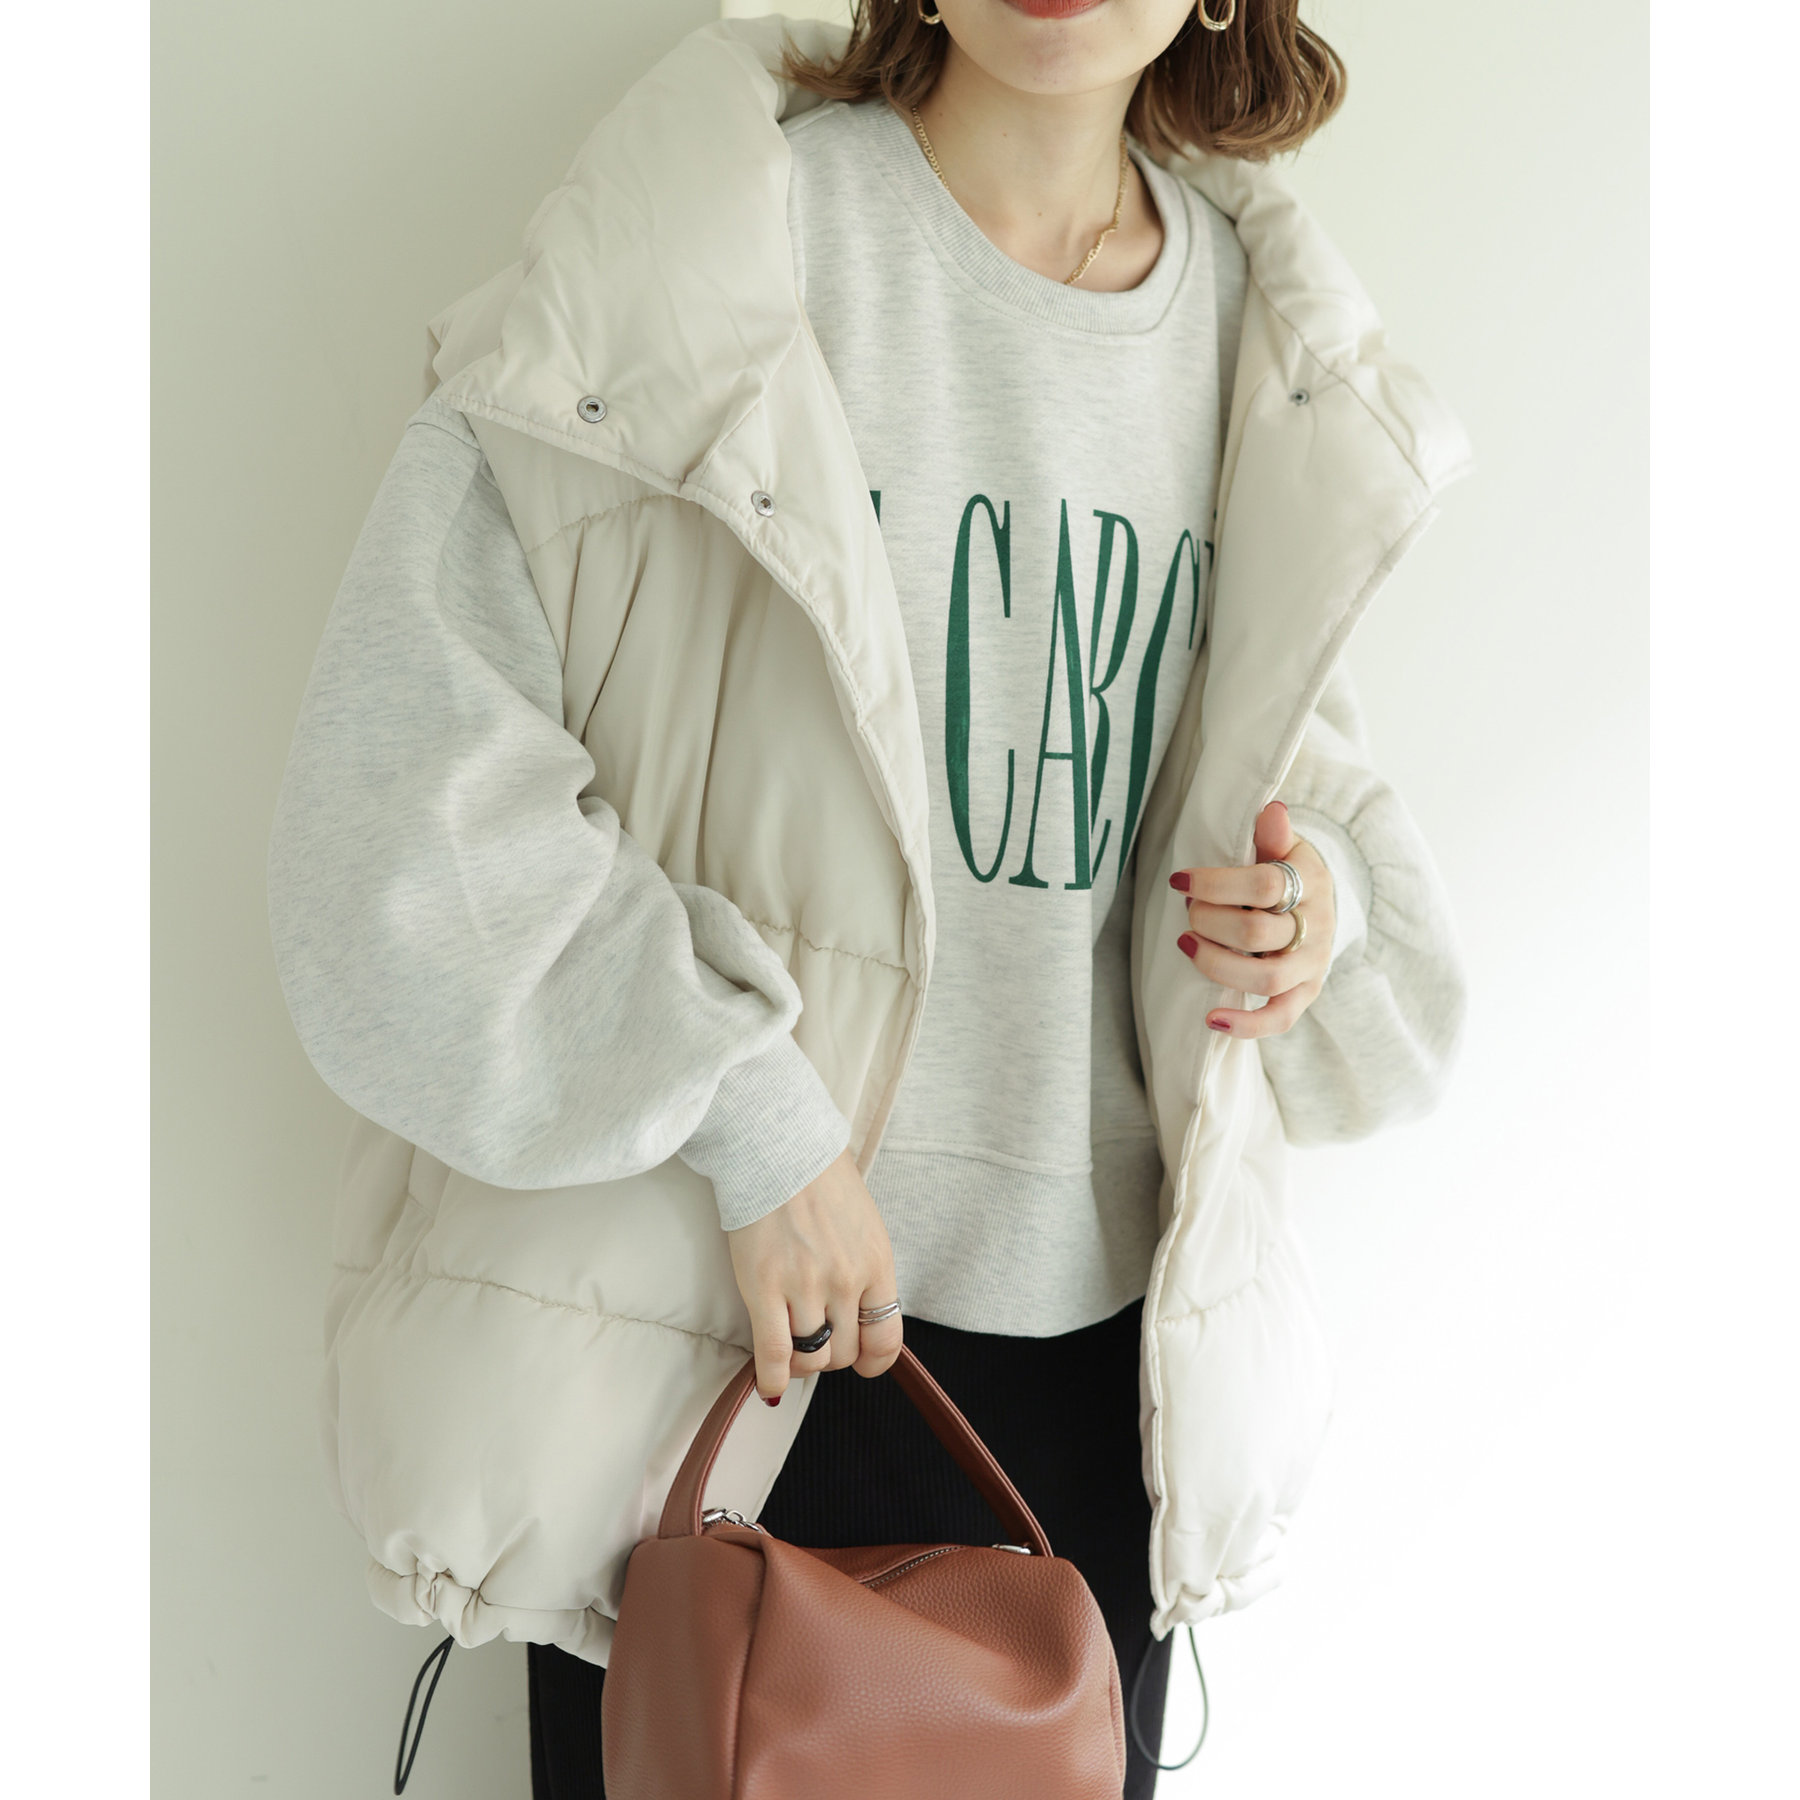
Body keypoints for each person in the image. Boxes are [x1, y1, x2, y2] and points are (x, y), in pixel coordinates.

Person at [268, 4, 1472, 1794]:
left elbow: (1340, 857)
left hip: (1108, 1398)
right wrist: (750, 1114)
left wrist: (1316, 919)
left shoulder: (1261, 341)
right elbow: (401, 825)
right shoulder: (715, 250)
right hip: (728, 1343)